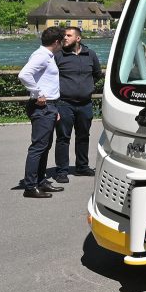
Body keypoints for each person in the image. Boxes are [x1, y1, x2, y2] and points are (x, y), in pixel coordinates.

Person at [17, 27, 66, 198]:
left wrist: (54, 109)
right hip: (43, 107)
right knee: (38, 147)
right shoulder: (41, 56)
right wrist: (38, 93)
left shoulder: (47, 56)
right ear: (57, 42)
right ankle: (30, 186)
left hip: (50, 107)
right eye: (63, 40)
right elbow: (24, 75)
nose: (64, 43)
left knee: (45, 146)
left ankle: (40, 181)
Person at [53, 26, 102, 182]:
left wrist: (87, 87)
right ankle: (61, 171)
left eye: (68, 35)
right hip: (64, 103)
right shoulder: (58, 56)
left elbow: (97, 74)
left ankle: (82, 167)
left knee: (83, 136)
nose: (64, 38)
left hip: (85, 104)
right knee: (63, 138)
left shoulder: (90, 55)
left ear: (78, 38)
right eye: (63, 35)